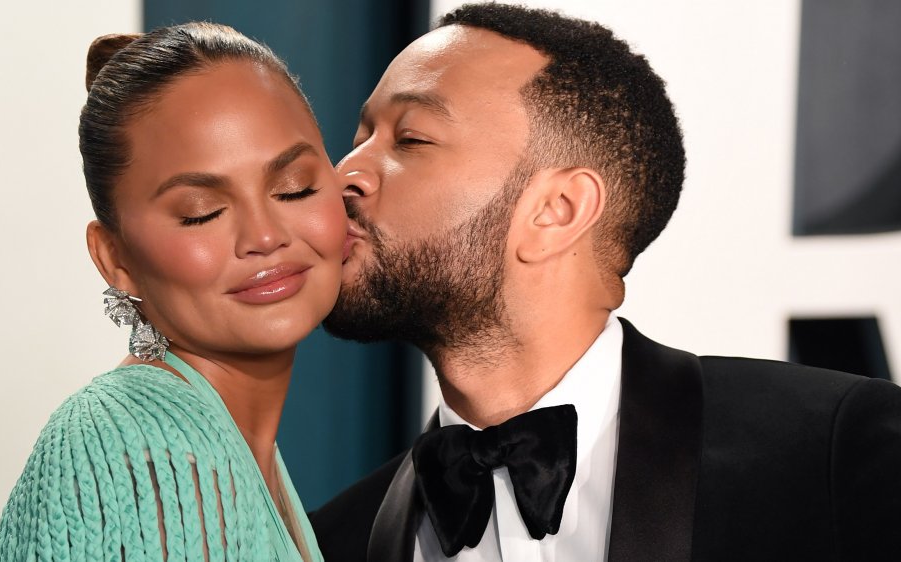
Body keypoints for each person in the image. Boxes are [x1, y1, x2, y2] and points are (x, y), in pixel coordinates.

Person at [312, 3, 901, 561]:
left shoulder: (833, 452)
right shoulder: (332, 540)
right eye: (360, 136)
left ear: (558, 210)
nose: (343, 176)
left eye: (410, 139)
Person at [0, 22, 346, 562]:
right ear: (116, 258)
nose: (265, 236)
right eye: (202, 212)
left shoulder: (228, 447)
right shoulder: (140, 450)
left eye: (294, 187)